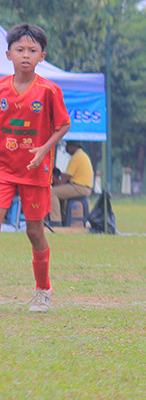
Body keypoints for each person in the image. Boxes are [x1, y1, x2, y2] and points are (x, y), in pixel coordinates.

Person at [0, 24, 71, 313]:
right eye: (20, 50)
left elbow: (64, 124)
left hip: (34, 171)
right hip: (4, 169)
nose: (25, 55)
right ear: (9, 54)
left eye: (32, 50)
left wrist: (44, 149)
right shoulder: (2, 88)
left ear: (42, 55)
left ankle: (43, 290)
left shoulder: (49, 90)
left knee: (33, 230)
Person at [49, 141, 93, 224]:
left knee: (53, 192)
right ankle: (64, 218)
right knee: (61, 192)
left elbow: (65, 178)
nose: (66, 148)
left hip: (80, 187)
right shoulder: (81, 155)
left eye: (67, 146)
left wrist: (55, 181)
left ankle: (55, 221)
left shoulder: (76, 157)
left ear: (74, 146)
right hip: (82, 187)